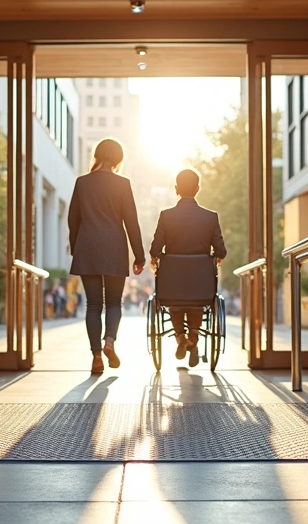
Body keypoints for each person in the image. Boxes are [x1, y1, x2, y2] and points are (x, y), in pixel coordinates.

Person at [68, 137, 146, 374]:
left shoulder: (82, 183)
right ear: (118, 159)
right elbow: (131, 221)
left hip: (87, 248)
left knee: (93, 305)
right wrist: (139, 256)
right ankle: (109, 341)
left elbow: (73, 220)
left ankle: (96, 357)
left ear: (97, 156)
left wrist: (76, 249)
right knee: (113, 302)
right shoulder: (123, 184)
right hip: (114, 247)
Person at [149, 168, 227, 367]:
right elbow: (221, 250)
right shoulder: (210, 217)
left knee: (176, 300)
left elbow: (155, 248)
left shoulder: (166, 216)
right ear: (197, 189)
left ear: (176, 189)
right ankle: (192, 338)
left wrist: (153, 259)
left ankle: (181, 338)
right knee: (197, 301)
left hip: (172, 283)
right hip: (201, 282)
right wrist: (216, 257)